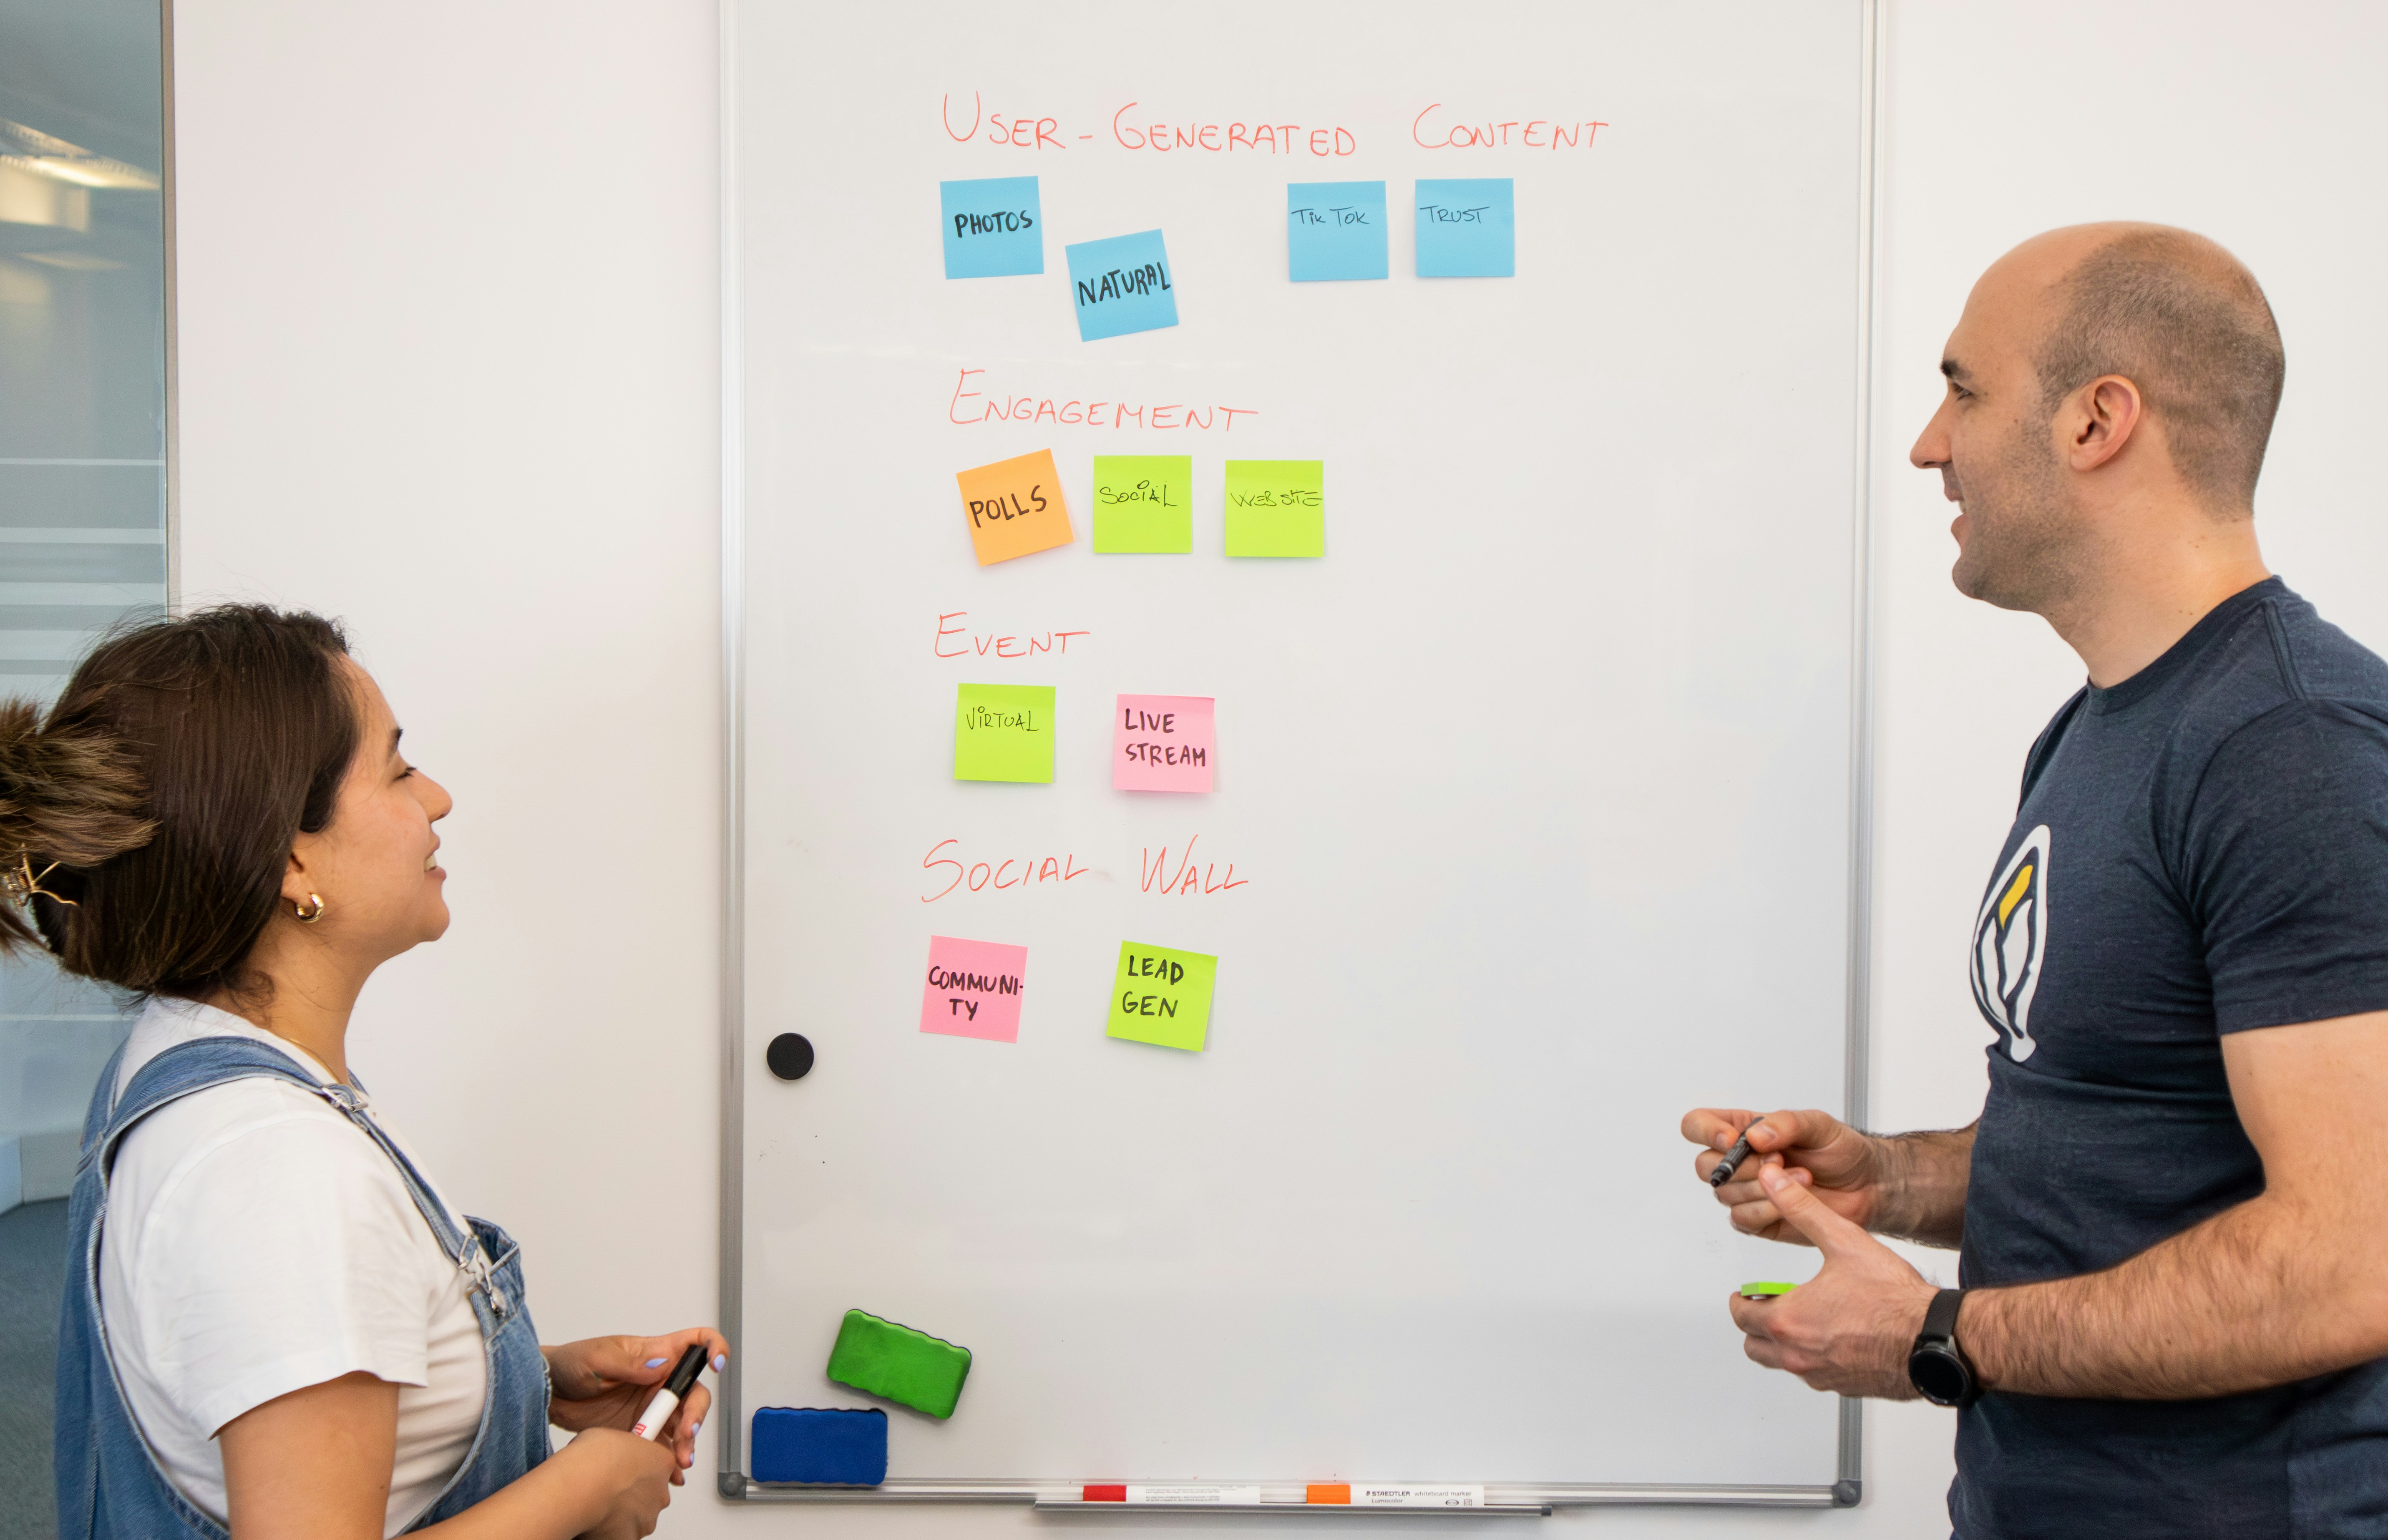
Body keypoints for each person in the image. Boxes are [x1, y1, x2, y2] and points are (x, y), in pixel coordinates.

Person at [1683, 223, 2388, 1535]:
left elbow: (2353, 1260)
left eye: (1961, 389)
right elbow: (2124, 1133)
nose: (1926, 444)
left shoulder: (2290, 747)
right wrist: (1883, 1179)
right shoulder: (2098, 731)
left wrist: (1935, 1333)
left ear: (2094, 422)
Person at [30, 605, 724, 1539]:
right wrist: (590, 1485)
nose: (436, 796)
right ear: (290, 857)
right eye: (397, 768)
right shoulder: (277, 1169)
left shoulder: (182, 1063)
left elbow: (249, 1364)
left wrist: (532, 1376)